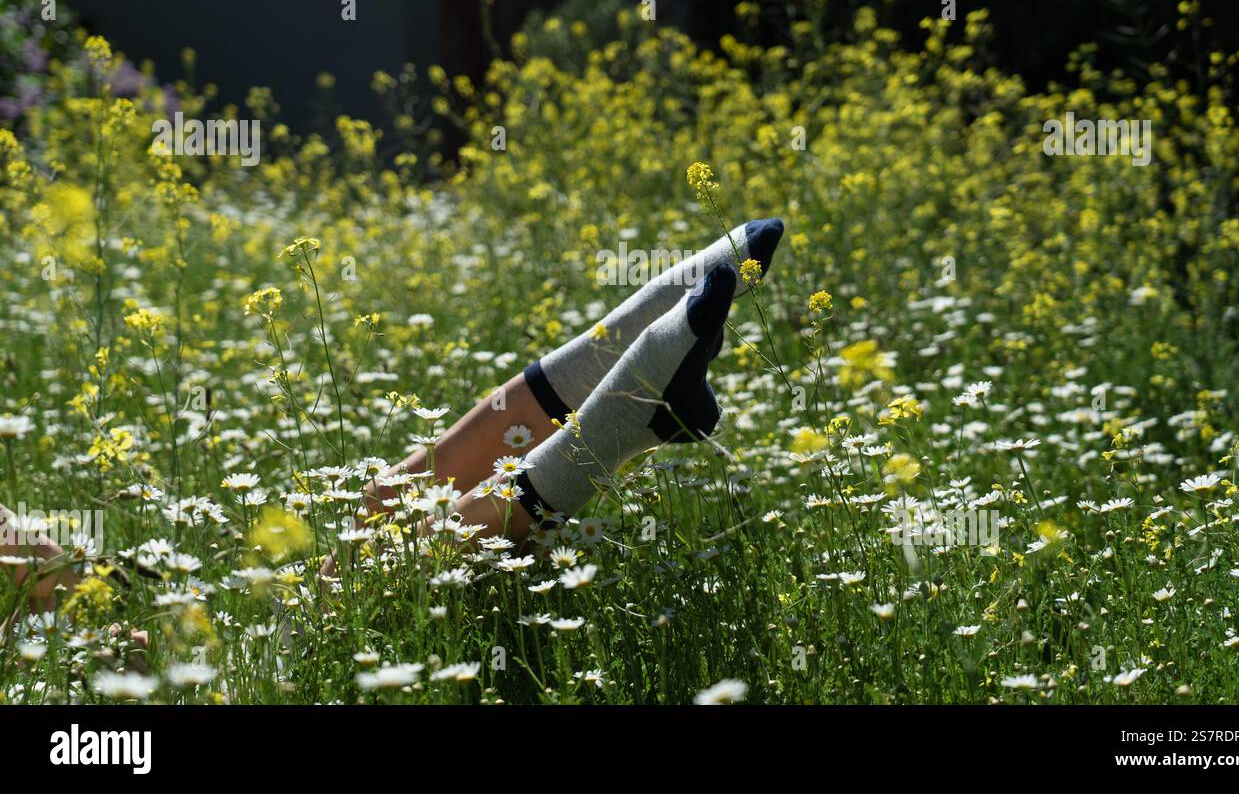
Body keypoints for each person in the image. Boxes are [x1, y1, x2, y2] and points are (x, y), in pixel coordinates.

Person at [1, 219, 784, 602]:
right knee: (345, 605)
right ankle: (617, 422)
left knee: (373, 514)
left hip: (153, 616)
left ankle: (593, 377)